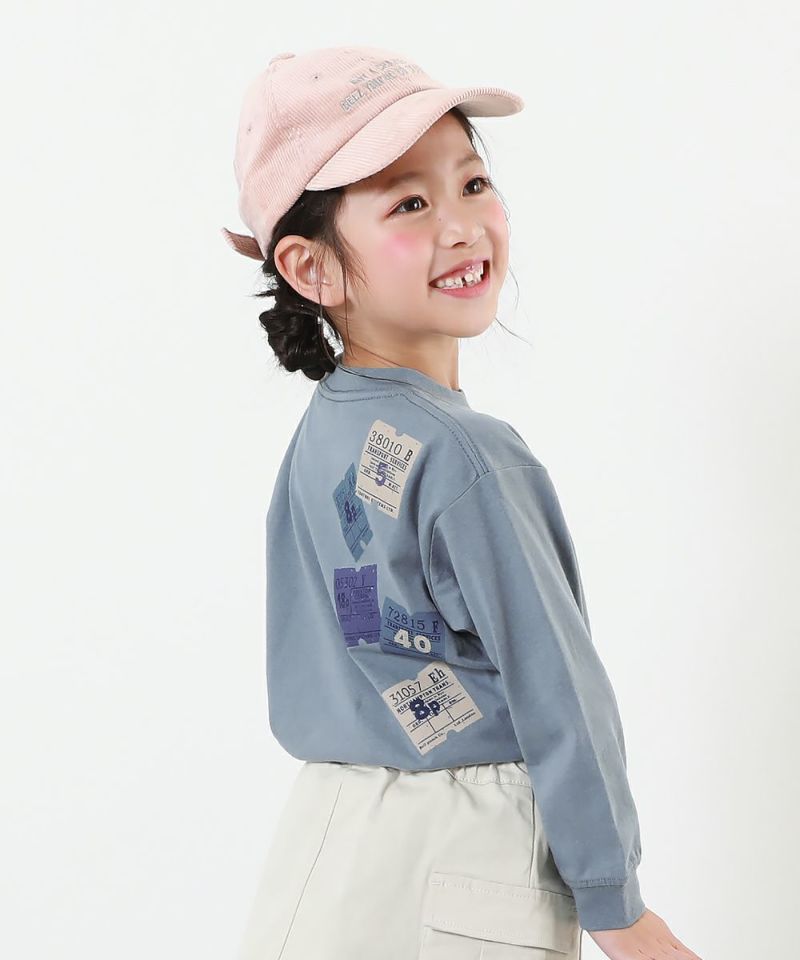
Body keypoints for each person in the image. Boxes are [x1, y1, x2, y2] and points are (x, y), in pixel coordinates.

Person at [222, 45, 702, 960]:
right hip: (469, 861)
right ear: (312, 269)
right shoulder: (469, 456)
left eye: (473, 183)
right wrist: (619, 909)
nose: (461, 225)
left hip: (323, 852)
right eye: (409, 203)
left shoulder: (325, 432)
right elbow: (557, 691)